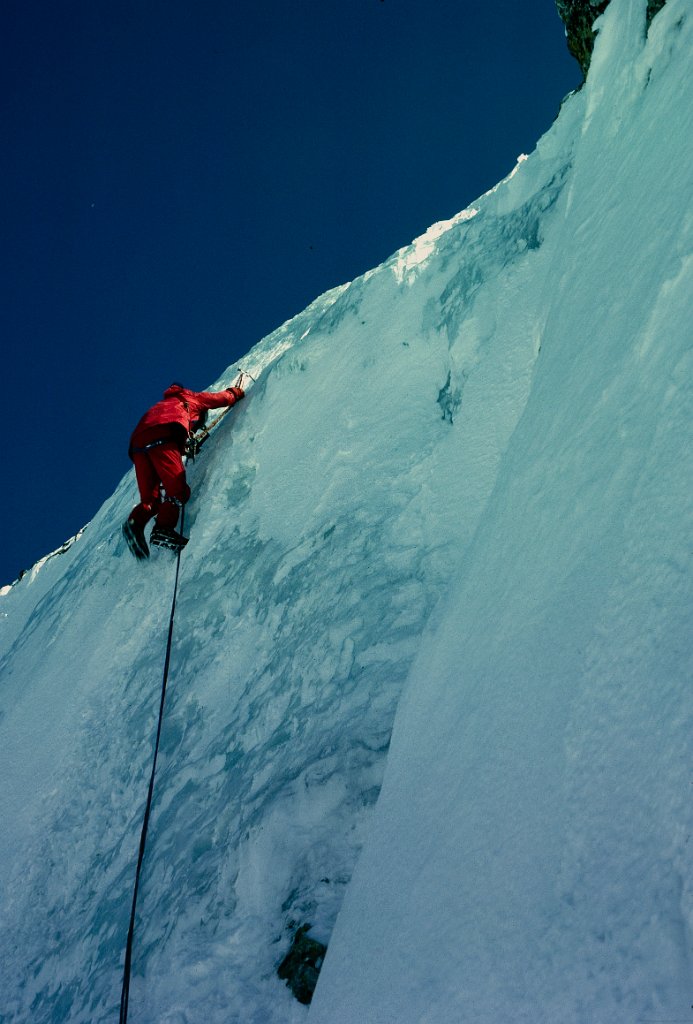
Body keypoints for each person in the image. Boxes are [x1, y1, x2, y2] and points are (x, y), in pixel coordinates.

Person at [122, 381, 244, 559]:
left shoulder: (162, 404)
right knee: (178, 490)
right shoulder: (192, 398)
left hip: (138, 445)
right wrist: (237, 392)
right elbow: (221, 398)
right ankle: (163, 529)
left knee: (151, 500)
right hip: (163, 434)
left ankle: (135, 523)